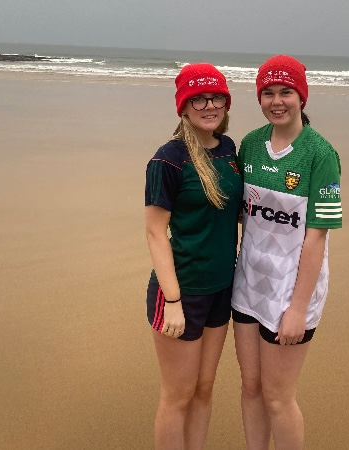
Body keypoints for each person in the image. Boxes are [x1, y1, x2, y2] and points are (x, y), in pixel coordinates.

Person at [231, 55, 342, 449]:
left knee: (279, 397)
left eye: (286, 92)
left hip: (291, 294)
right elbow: (239, 212)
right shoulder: (250, 145)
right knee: (251, 387)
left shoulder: (321, 154)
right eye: (268, 93)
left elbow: (316, 238)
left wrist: (297, 309)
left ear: (301, 97)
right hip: (248, 286)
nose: (277, 101)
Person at [144, 63, 242, 450]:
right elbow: (155, 232)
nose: (209, 105)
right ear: (183, 106)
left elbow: (235, 210)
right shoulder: (168, 160)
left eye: (216, 97)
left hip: (222, 286)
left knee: (204, 388)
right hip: (181, 291)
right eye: (198, 99)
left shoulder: (229, 149)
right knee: (178, 395)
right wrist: (172, 300)